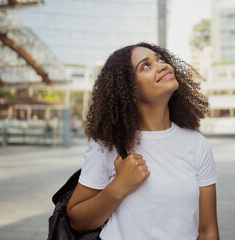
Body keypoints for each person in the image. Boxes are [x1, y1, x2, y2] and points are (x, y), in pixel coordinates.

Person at [67, 42, 219, 239]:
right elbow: (77, 220)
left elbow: (208, 231)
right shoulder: (108, 145)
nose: (162, 65)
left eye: (160, 59)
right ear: (129, 89)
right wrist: (118, 187)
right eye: (145, 65)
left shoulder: (197, 144)